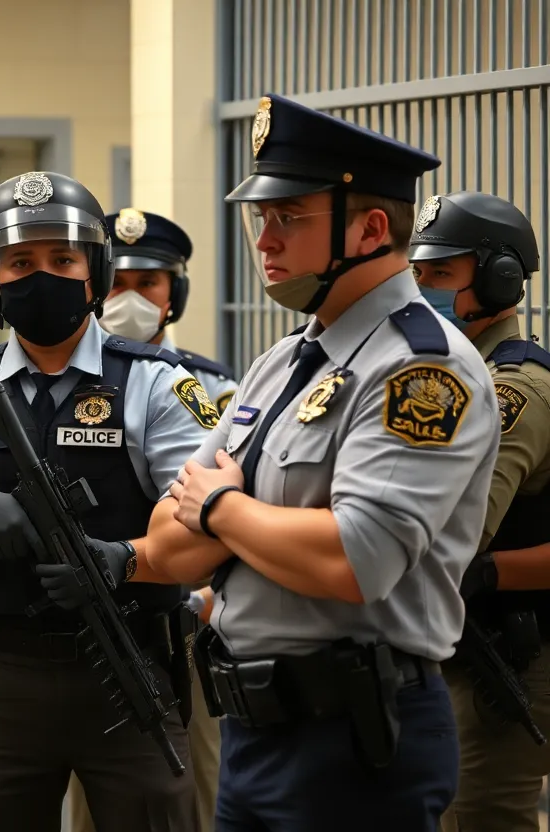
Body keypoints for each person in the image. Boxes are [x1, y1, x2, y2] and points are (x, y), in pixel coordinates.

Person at [147, 92, 500, 832]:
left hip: (354, 738)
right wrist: (261, 529)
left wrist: (223, 510)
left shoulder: (421, 371)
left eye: (290, 217)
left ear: (372, 227)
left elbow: (355, 560)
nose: (265, 239)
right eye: (261, 218)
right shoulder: (286, 361)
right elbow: (165, 547)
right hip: (253, 729)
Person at [0, 170, 214, 831]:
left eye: (62, 258)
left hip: (130, 664)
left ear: (94, 272)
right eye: (19, 262)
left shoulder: (157, 386)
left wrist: (123, 559)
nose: (40, 275)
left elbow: (204, 540)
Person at [62, 209, 235, 832]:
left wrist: (217, 591)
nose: (131, 298)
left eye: (151, 284)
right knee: (91, 803)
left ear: (175, 295)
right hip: (95, 619)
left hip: (186, 622)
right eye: (121, 282)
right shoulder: (71, 379)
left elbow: (237, 505)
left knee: (195, 785)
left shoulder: (217, 389)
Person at [407, 191, 550, 832]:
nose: (422, 287)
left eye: (442, 273)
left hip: (505, 656)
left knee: (480, 815)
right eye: (418, 271)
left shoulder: (510, 389)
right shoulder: (459, 373)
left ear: (499, 278)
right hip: (461, 646)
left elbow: (452, 532)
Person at [102, 208, 238, 412]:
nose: (130, 297)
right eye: (116, 283)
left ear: (176, 294)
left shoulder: (211, 387)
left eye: (147, 283)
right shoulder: (63, 376)